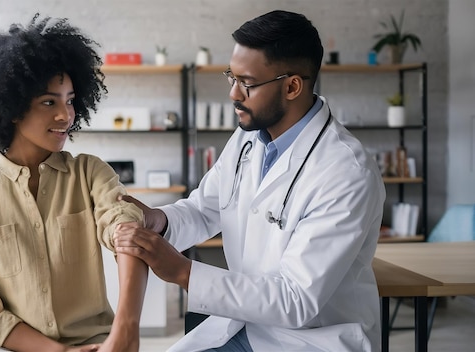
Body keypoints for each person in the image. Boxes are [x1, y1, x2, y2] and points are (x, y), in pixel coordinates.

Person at [114, 10, 386, 352]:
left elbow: (295, 299)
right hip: (246, 324)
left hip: (310, 339)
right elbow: (205, 208)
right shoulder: (249, 137)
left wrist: (184, 272)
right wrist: (161, 219)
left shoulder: (345, 172)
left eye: (247, 83)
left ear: (292, 86)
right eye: (231, 76)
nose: (233, 94)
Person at [0, 14, 148, 352]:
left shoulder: (90, 173)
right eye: (49, 102)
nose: (65, 116)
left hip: (92, 341)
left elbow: (126, 232)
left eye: (70, 101)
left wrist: (126, 328)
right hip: (3, 347)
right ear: (10, 107)